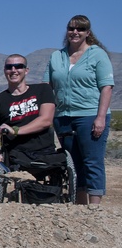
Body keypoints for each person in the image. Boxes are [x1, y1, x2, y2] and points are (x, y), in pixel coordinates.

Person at [44, 15, 114, 207]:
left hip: (90, 115)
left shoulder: (97, 55)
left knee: (92, 161)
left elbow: (106, 87)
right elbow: (46, 86)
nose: (75, 32)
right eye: (72, 28)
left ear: (87, 33)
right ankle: (79, 207)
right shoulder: (57, 56)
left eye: (80, 29)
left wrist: (100, 117)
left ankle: (95, 206)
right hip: (63, 117)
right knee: (73, 163)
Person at [0, 54, 57, 169]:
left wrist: (15, 131)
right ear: (5, 71)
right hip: (15, 155)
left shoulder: (43, 90)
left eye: (18, 66)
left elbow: (46, 120)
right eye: (9, 67)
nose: (13, 70)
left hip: (44, 152)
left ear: (26, 70)